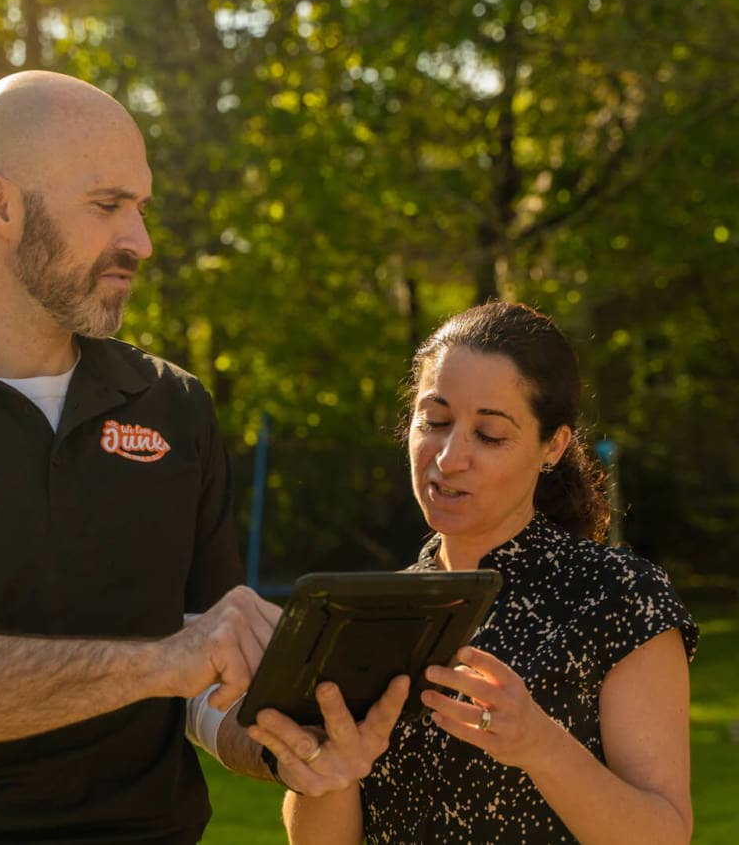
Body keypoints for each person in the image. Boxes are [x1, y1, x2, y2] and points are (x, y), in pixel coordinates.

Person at [0, 70, 405, 844]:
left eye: (140, 207)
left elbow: (212, 678)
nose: (140, 241)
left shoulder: (173, 406)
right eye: (107, 206)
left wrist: (290, 744)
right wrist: (168, 662)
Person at [250, 301, 698, 844]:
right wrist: (326, 774)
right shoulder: (367, 614)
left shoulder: (618, 596)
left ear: (552, 446)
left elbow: (664, 835)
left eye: (488, 435)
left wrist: (538, 743)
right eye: (435, 422)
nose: (448, 458)